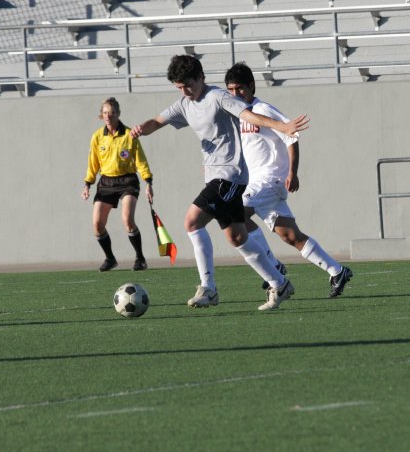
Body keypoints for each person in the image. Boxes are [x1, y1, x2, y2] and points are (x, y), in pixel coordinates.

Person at [130, 54, 309, 311]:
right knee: (237, 237)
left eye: (188, 85)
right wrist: (140, 129)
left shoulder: (218, 97)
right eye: (179, 87)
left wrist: (282, 126)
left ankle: (209, 288)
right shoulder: (184, 104)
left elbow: (248, 115)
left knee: (192, 221)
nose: (185, 90)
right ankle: (279, 283)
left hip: (229, 176)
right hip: (217, 177)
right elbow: (157, 122)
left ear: (201, 77)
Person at [225, 63, 353, 298]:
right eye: (230, 90)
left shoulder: (263, 109)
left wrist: (292, 172)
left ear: (252, 86)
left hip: (270, 180)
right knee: (291, 236)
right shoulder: (236, 114)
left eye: (240, 89)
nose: (235, 94)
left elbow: (291, 137)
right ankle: (337, 271)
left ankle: (272, 266)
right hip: (257, 184)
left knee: (234, 213)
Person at [82, 97, 154, 272]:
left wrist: (148, 182)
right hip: (106, 182)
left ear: (118, 114)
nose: (108, 116)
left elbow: (140, 160)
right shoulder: (97, 136)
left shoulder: (130, 134)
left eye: (112, 112)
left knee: (127, 220)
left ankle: (140, 259)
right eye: (105, 112)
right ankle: (110, 258)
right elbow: (93, 162)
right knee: (97, 225)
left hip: (128, 181)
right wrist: (87, 184)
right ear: (101, 115)